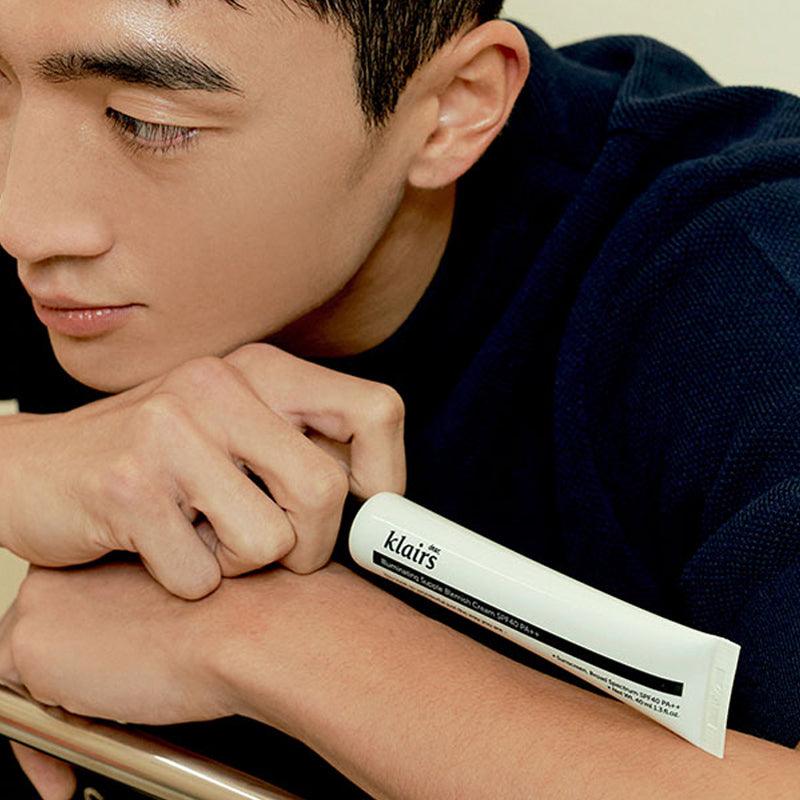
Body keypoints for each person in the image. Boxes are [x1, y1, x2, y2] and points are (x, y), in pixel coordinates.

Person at [0, 0, 799, 797]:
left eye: (147, 122)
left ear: (452, 109)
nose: (24, 227)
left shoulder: (750, 287)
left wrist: (263, 639)